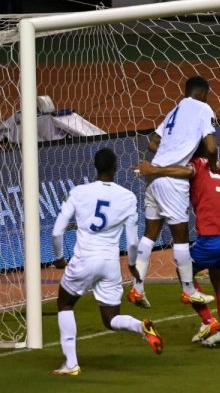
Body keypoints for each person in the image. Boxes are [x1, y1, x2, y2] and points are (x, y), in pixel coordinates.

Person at [50, 148, 162, 376]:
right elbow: (132, 242)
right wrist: (132, 265)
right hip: (110, 264)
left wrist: (60, 258)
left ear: (95, 166)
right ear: (115, 167)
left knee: (65, 303)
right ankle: (139, 326)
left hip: (84, 260)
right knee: (111, 319)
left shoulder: (79, 192)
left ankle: (71, 364)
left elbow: (56, 231)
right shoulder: (128, 197)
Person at [132, 148, 220, 347]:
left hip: (214, 236)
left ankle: (209, 321)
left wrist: (153, 170)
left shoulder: (197, 164)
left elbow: (186, 171)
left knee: (184, 273)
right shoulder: (216, 168)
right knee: (218, 280)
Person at [128, 76, 219, 308]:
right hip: (171, 181)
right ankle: (189, 290)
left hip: (153, 176)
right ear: (204, 93)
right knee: (180, 238)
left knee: (150, 234)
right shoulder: (203, 108)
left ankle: (137, 289)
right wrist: (213, 165)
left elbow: (152, 144)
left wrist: (173, 149)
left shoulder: (174, 110)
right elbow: (211, 147)